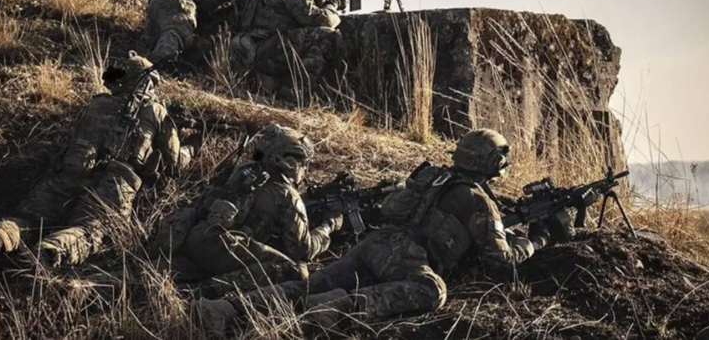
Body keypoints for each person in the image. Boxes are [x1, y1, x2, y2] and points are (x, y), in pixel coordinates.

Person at [192, 129, 572, 333]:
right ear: (493, 164)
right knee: (433, 290)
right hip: (409, 259)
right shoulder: (478, 202)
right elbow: (500, 260)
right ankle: (337, 309)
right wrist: (537, 239)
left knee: (312, 283)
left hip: (375, 244)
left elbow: (391, 208)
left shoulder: (433, 178)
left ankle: (223, 310)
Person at [0, 51, 197, 267]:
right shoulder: (155, 111)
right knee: (91, 230)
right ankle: (51, 251)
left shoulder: (97, 103)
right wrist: (190, 149)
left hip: (70, 171)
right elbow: (174, 163)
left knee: (30, 217)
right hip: (114, 185)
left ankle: (2, 236)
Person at [150, 124, 342, 292]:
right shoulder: (287, 196)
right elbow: (302, 251)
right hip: (224, 248)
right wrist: (328, 227)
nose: (305, 169)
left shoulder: (242, 170)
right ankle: (210, 289)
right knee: (296, 271)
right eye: (303, 164)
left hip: (198, 237)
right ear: (289, 163)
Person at [230, 0, 345, 101]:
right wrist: (334, 4)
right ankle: (294, 95)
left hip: (251, 48)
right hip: (264, 51)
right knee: (325, 35)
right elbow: (322, 21)